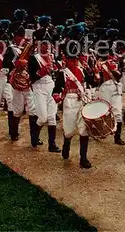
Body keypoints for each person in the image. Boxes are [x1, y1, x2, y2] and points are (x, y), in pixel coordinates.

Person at [53, 24, 95, 169]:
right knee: (69, 130)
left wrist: (96, 73)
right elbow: (56, 88)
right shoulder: (62, 73)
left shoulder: (83, 70)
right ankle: (66, 143)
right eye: (71, 59)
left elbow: (93, 81)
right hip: (69, 102)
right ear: (66, 59)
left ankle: (83, 158)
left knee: (84, 129)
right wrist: (57, 96)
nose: (73, 62)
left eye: (75, 59)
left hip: (82, 100)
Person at [28, 15, 60, 152]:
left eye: (48, 44)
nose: (46, 47)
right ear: (38, 45)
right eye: (43, 44)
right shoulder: (33, 58)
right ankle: (34, 135)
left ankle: (52, 145)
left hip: (51, 86)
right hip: (38, 87)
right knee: (42, 117)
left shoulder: (53, 57)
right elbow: (32, 78)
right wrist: (43, 71)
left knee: (52, 116)